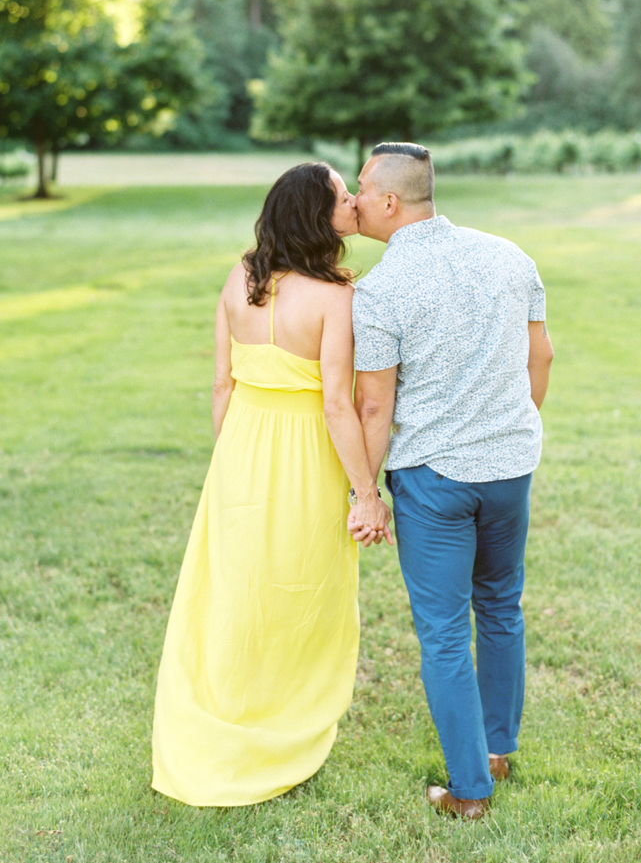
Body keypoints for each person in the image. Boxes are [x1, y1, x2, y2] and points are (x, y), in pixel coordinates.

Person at [152, 161, 391, 808]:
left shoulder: (239, 278)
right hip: (305, 455)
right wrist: (366, 492)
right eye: (342, 195)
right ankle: (281, 722)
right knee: (300, 586)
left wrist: (230, 460)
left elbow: (222, 384)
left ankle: (230, 710)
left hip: (240, 449)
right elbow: (338, 405)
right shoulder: (337, 295)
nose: (351, 202)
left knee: (236, 586)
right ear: (319, 215)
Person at [348, 142, 553, 822]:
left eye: (359, 187)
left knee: (442, 632)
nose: (351, 198)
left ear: (388, 202)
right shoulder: (509, 254)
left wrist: (366, 492)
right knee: (501, 606)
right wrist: (508, 433)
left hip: (433, 480)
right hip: (509, 469)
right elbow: (540, 354)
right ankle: (496, 749)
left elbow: (374, 406)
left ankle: (469, 790)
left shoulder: (380, 290)